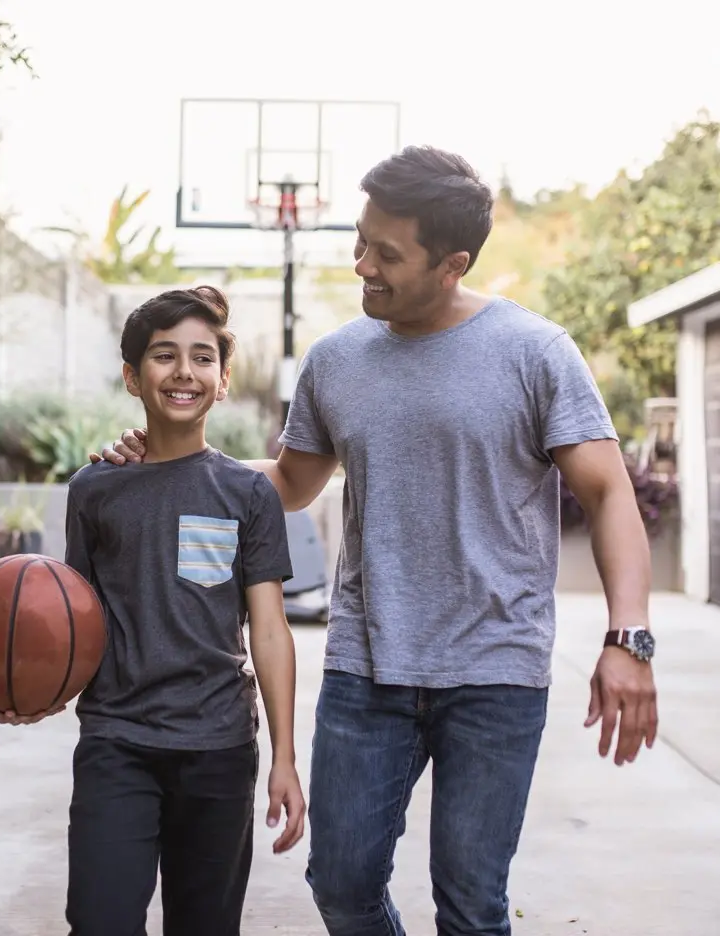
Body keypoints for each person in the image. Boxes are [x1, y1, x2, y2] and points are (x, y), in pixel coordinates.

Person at [92, 146, 659, 936]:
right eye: (360, 241)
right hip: (369, 667)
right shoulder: (337, 360)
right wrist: (164, 458)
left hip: (495, 670)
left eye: (386, 254)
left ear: (452, 263)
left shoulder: (535, 352)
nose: (362, 264)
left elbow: (607, 492)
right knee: (343, 885)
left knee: (471, 904)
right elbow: (288, 483)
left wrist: (628, 637)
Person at [0, 285, 306, 936]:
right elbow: (74, 622)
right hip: (117, 745)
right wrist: (35, 693)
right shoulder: (95, 489)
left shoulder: (247, 494)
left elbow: (269, 628)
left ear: (223, 380)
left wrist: (285, 756)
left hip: (219, 749)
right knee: (100, 922)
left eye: (202, 358)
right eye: (164, 355)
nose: (184, 372)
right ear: (131, 376)